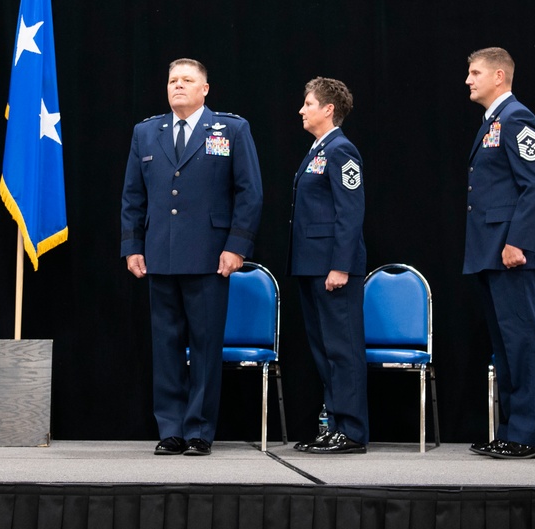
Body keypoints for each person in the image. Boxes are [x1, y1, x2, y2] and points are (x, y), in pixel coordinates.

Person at [121, 58, 263, 456]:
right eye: (172, 80)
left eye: (187, 80)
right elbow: (133, 196)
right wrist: (132, 245)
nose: (178, 86)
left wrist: (236, 246)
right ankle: (170, 428)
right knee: (165, 346)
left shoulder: (231, 128)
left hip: (209, 256)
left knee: (204, 345)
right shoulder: (147, 132)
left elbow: (249, 192)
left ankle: (199, 430)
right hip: (160, 255)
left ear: (205, 89)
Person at [464, 47, 535, 460]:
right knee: (506, 346)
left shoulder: (517, 118)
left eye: (475, 72)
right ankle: (512, 431)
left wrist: (517, 241)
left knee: (523, 344)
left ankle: (530, 435)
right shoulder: (492, 123)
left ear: (499, 76)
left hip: (514, 251)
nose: (468, 80)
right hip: (493, 251)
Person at [289, 77, 369, 454]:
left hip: (333, 269)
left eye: (308, 104)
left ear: (328, 109)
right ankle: (334, 423)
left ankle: (350, 429)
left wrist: (341, 266)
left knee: (343, 348)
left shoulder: (341, 150)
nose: (302, 110)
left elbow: (350, 213)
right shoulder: (317, 150)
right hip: (311, 266)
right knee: (324, 350)